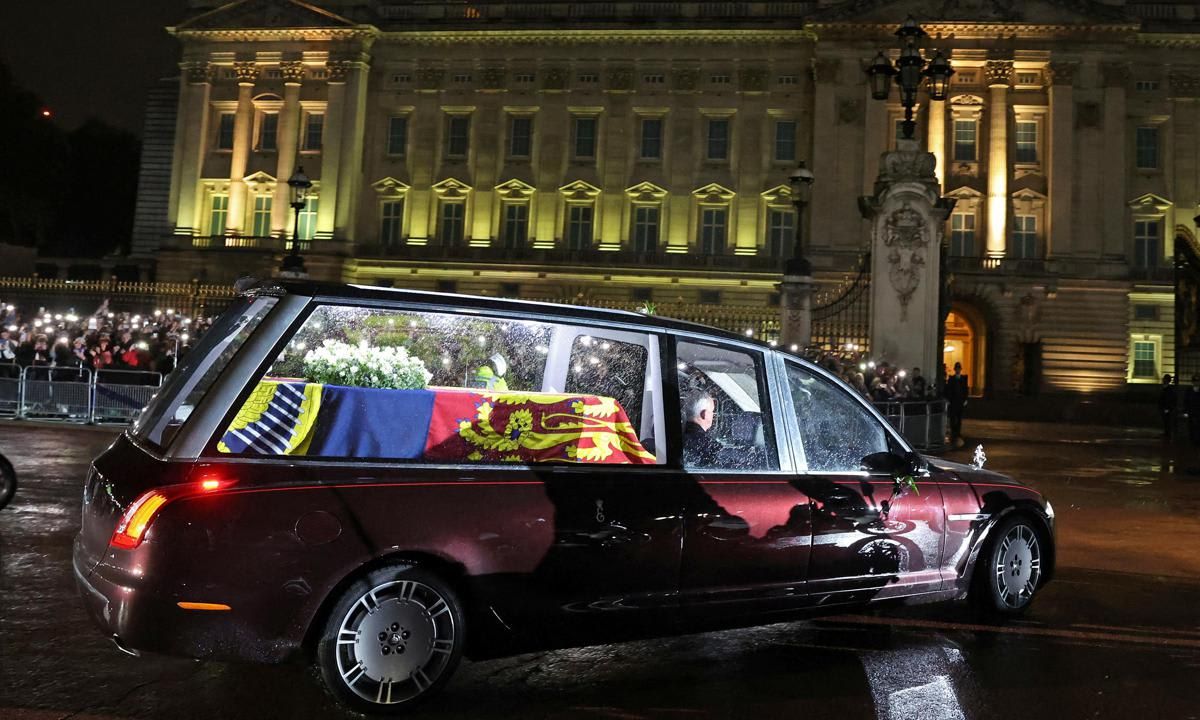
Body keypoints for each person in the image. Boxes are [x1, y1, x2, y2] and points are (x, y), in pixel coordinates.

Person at [682, 390, 722, 467]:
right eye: (712, 411)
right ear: (704, 414)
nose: (714, 415)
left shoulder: (675, 436)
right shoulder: (708, 446)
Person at [945, 361, 969, 448]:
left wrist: (965, 399)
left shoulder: (964, 378)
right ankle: (953, 431)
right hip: (953, 401)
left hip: (960, 401)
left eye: (959, 369)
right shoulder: (951, 378)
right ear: (955, 370)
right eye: (957, 369)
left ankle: (958, 432)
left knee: (959, 418)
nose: (958, 370)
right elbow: (949, 390)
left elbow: (966, 389)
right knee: (952, 417)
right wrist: (948, 399)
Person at [1160, 374, 1176, 439]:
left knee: (1167, 421)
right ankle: (1167, 433)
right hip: (1165, 407)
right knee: (1166, 421)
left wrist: (1167, 408)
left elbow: (1168, 399)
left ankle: (1167, 434)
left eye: (1164, 379)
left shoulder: (1168, 389)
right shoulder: (1166, 388)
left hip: (1167, 408)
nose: (1163, 380)